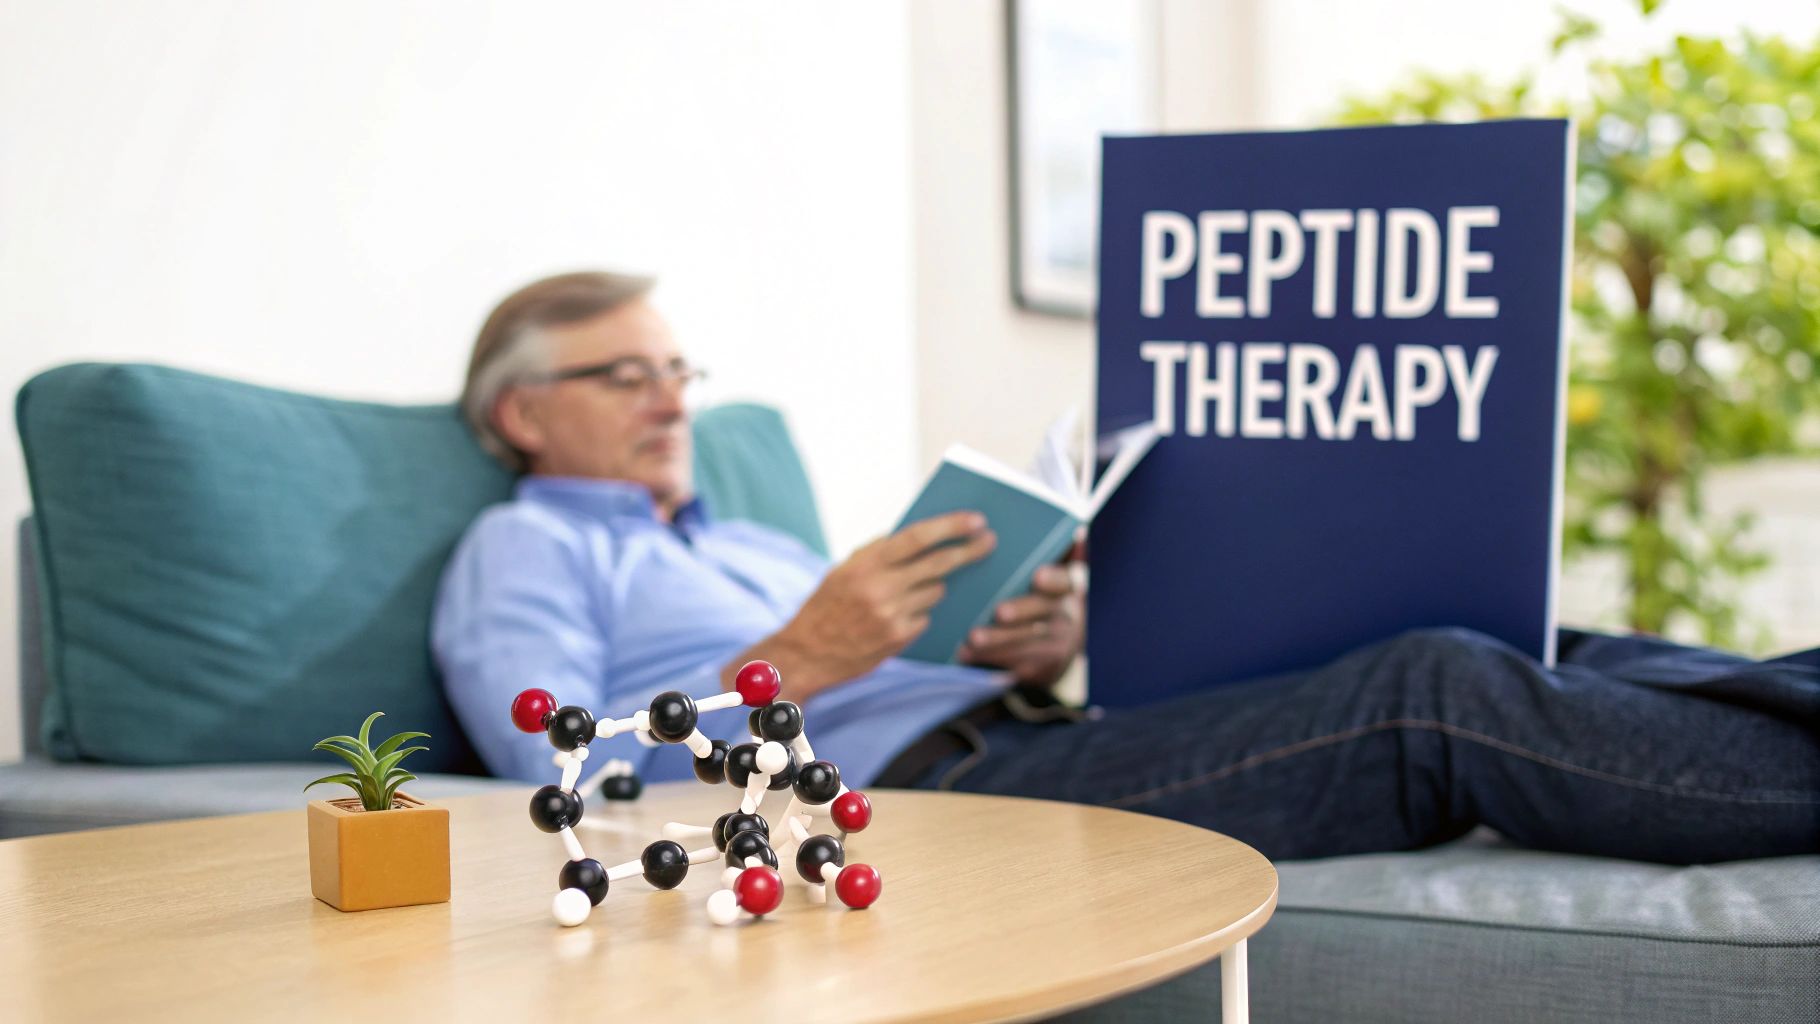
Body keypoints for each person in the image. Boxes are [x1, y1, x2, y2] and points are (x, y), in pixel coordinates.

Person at [432, 271, 1820, 865]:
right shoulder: (523, 548)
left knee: (1485, 615)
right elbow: (549, 772)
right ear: (518, 412)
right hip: (929, 806)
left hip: (1021, 735)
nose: (669, 397)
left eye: (678, 370)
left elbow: (868, 667)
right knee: (1431, 691)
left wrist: (1015, 639)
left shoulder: (744, 535)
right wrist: (806, 655)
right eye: (624, 375)